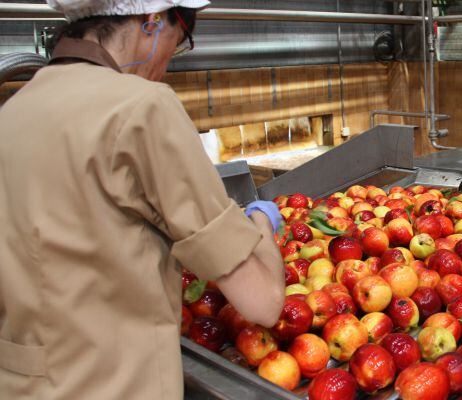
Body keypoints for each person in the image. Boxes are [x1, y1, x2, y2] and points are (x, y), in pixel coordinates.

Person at [0, 1, 285, 398]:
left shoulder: (13, 111)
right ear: (152, 21)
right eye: (180, 37)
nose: (170, 60)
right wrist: (260, 225)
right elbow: (264, 303)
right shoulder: (142, 106)